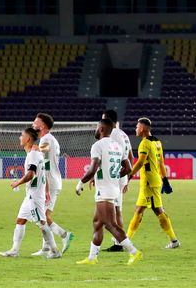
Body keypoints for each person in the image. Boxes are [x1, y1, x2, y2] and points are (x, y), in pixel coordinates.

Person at [74, 118, 142, 265]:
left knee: (111, 224)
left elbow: (93, 168)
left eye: (97, 127)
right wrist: (113, 176)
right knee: (98, 223)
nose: (96, 130)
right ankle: (92, 258)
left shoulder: (97, 146)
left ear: (102, 129)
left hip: (104, 190)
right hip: (112, 188)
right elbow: (129, 169)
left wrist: (80, 183)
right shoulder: (117, 145)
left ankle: (134, 252)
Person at [0, 127, 61, 259]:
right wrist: (47, 192)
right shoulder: (36, 154)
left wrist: (17, 183)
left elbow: (31, 174)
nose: (20, 138)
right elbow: (42, 174)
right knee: (20, 220)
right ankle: (14, 250)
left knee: (41, 223)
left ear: (28, 139)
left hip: (35, 196)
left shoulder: (33, 154)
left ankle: (55, 251)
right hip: (32, 195)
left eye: (22, 135)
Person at [125, 118, 180, 249]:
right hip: (150, 182)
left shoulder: (144, 143)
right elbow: (161, 163)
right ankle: (126, 240)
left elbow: (140, 162)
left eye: (137, 127)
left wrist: (129, 175)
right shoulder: (157, 142)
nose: (136, 129)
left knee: (158, 210)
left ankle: (174, 240)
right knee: (138, 210)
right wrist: (165, 180)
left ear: (143, 128)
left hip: (149, 183)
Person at [31, 113, 74, 256]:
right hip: (52, 181)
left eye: (35, 121)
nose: (33, 123)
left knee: (43, 217)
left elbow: (45, 148)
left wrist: (38, 149)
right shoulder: (50, 138)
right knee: (44, 216)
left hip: (50, 182)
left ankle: (64, 235)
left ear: (42, 125)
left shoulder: (47, 139)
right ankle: (46, 248)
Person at [101, 109, 134, 252]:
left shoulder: (111, 135)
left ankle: (120, 243)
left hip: (113, 176)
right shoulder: (124, 134)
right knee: (116, 210)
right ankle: (119, 241)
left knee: (113, 211)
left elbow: (108, 156)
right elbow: (131, 158)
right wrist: (128, 178)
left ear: (107, 120)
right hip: (121, 176)